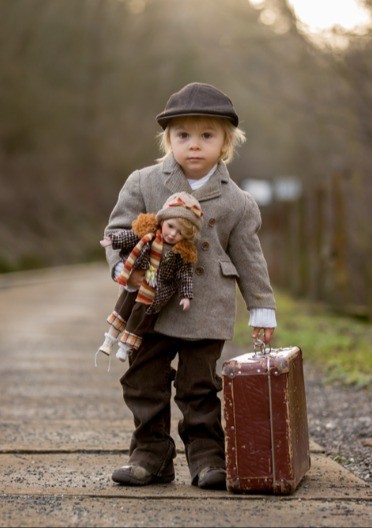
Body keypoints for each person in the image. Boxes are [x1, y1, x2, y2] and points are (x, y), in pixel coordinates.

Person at [102, 82, 276, 490]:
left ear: (226, 143)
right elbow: (117, 231)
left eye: (206, 136)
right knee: (143, 379)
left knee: (200, 387)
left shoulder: (239, 202)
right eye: (183, 135)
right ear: (168, 140)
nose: (194, 145)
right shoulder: (144, 182)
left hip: (207, 305)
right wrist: (123, 271)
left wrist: (261, 308)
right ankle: (151, 453)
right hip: (151, 304)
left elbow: (250, 259)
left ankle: (207, 456)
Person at [96, 192, 202, 368]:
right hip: (137, 281)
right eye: (170, 226)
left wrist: (185, 295)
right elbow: (129, 237)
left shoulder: (181, 254)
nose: (172, 234)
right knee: (123, 308)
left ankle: (125, 345)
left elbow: (185, 276)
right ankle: (109, 339)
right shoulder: (149, 235)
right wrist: (112, 240)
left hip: (154, 292)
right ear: (162, 220)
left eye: (180, 233)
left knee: (140, 318)